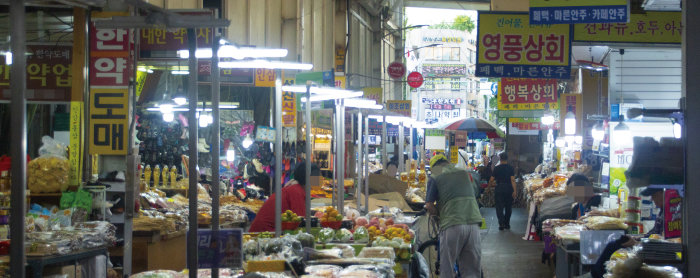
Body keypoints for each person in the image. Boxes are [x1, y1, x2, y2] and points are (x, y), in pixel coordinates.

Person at [425, 154, 482, 278]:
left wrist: (439, 214)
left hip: (452, 224)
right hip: (474, 222)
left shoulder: (435, 175)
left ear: (434, 167)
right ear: (447, 162)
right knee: (472, 270)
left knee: (447, 270)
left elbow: (429, 205)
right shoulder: (463, 172)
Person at [590, 187, 667, 278]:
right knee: (616, 242)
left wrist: (638, 243)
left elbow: (662, 239)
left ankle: (598, 274)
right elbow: (653, 233)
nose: (652, 200)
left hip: (652, 249)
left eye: (654, 196)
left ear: (663, 193)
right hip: (646, 242)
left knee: (613, 246)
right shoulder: (662, 211)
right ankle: (596, 273)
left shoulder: (669, 213)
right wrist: (637, 238)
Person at [249, 162, 321, 232]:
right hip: (265, 232)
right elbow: (300, 220)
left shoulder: (295, 188)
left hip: (268, 230)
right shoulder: (296, 191)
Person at [489, 152, 516, 230]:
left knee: (499, 207)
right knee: (508, 207)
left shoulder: (497, 168)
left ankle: (501, 224)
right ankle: (507, 224)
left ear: (500, 159)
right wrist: (515, 191)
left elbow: (491, 180)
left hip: (499, 188)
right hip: (509, 188)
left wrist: (488, 188)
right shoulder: (510, 168)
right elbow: (513, 180)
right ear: (507, 159)